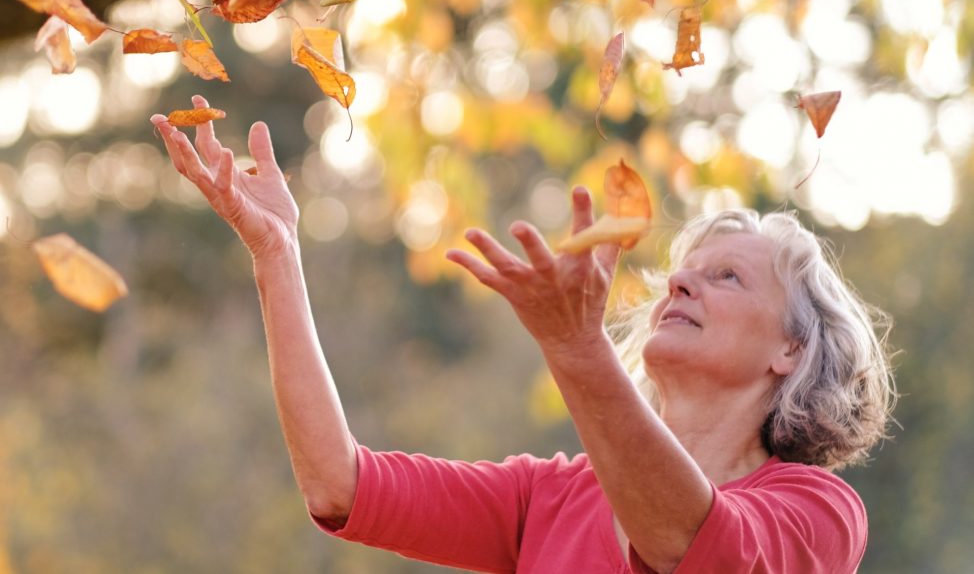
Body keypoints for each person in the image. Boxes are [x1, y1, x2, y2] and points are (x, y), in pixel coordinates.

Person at [151, 97, 896, 574]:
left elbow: (689, 543)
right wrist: (278, 256)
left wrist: (578, 350)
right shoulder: (551, 496)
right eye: (680, 272)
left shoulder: (818, 512)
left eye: (727, 277)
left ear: (791, 351)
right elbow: (338, 483)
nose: (678, 283)